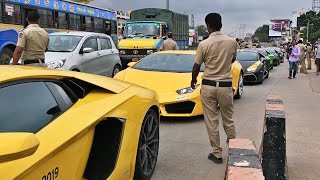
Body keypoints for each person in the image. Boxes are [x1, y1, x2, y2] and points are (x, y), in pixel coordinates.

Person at [191, 13, 238, 164]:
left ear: (208, 26)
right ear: (221, 24)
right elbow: (233, 59)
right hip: (225, 86)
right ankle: (234, 151)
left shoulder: (204, 44)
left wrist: (193, 80)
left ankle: (217, 154)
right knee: (228, 120)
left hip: (209, 86)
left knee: (212, 121)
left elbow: (197, 65)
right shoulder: (232, 42)